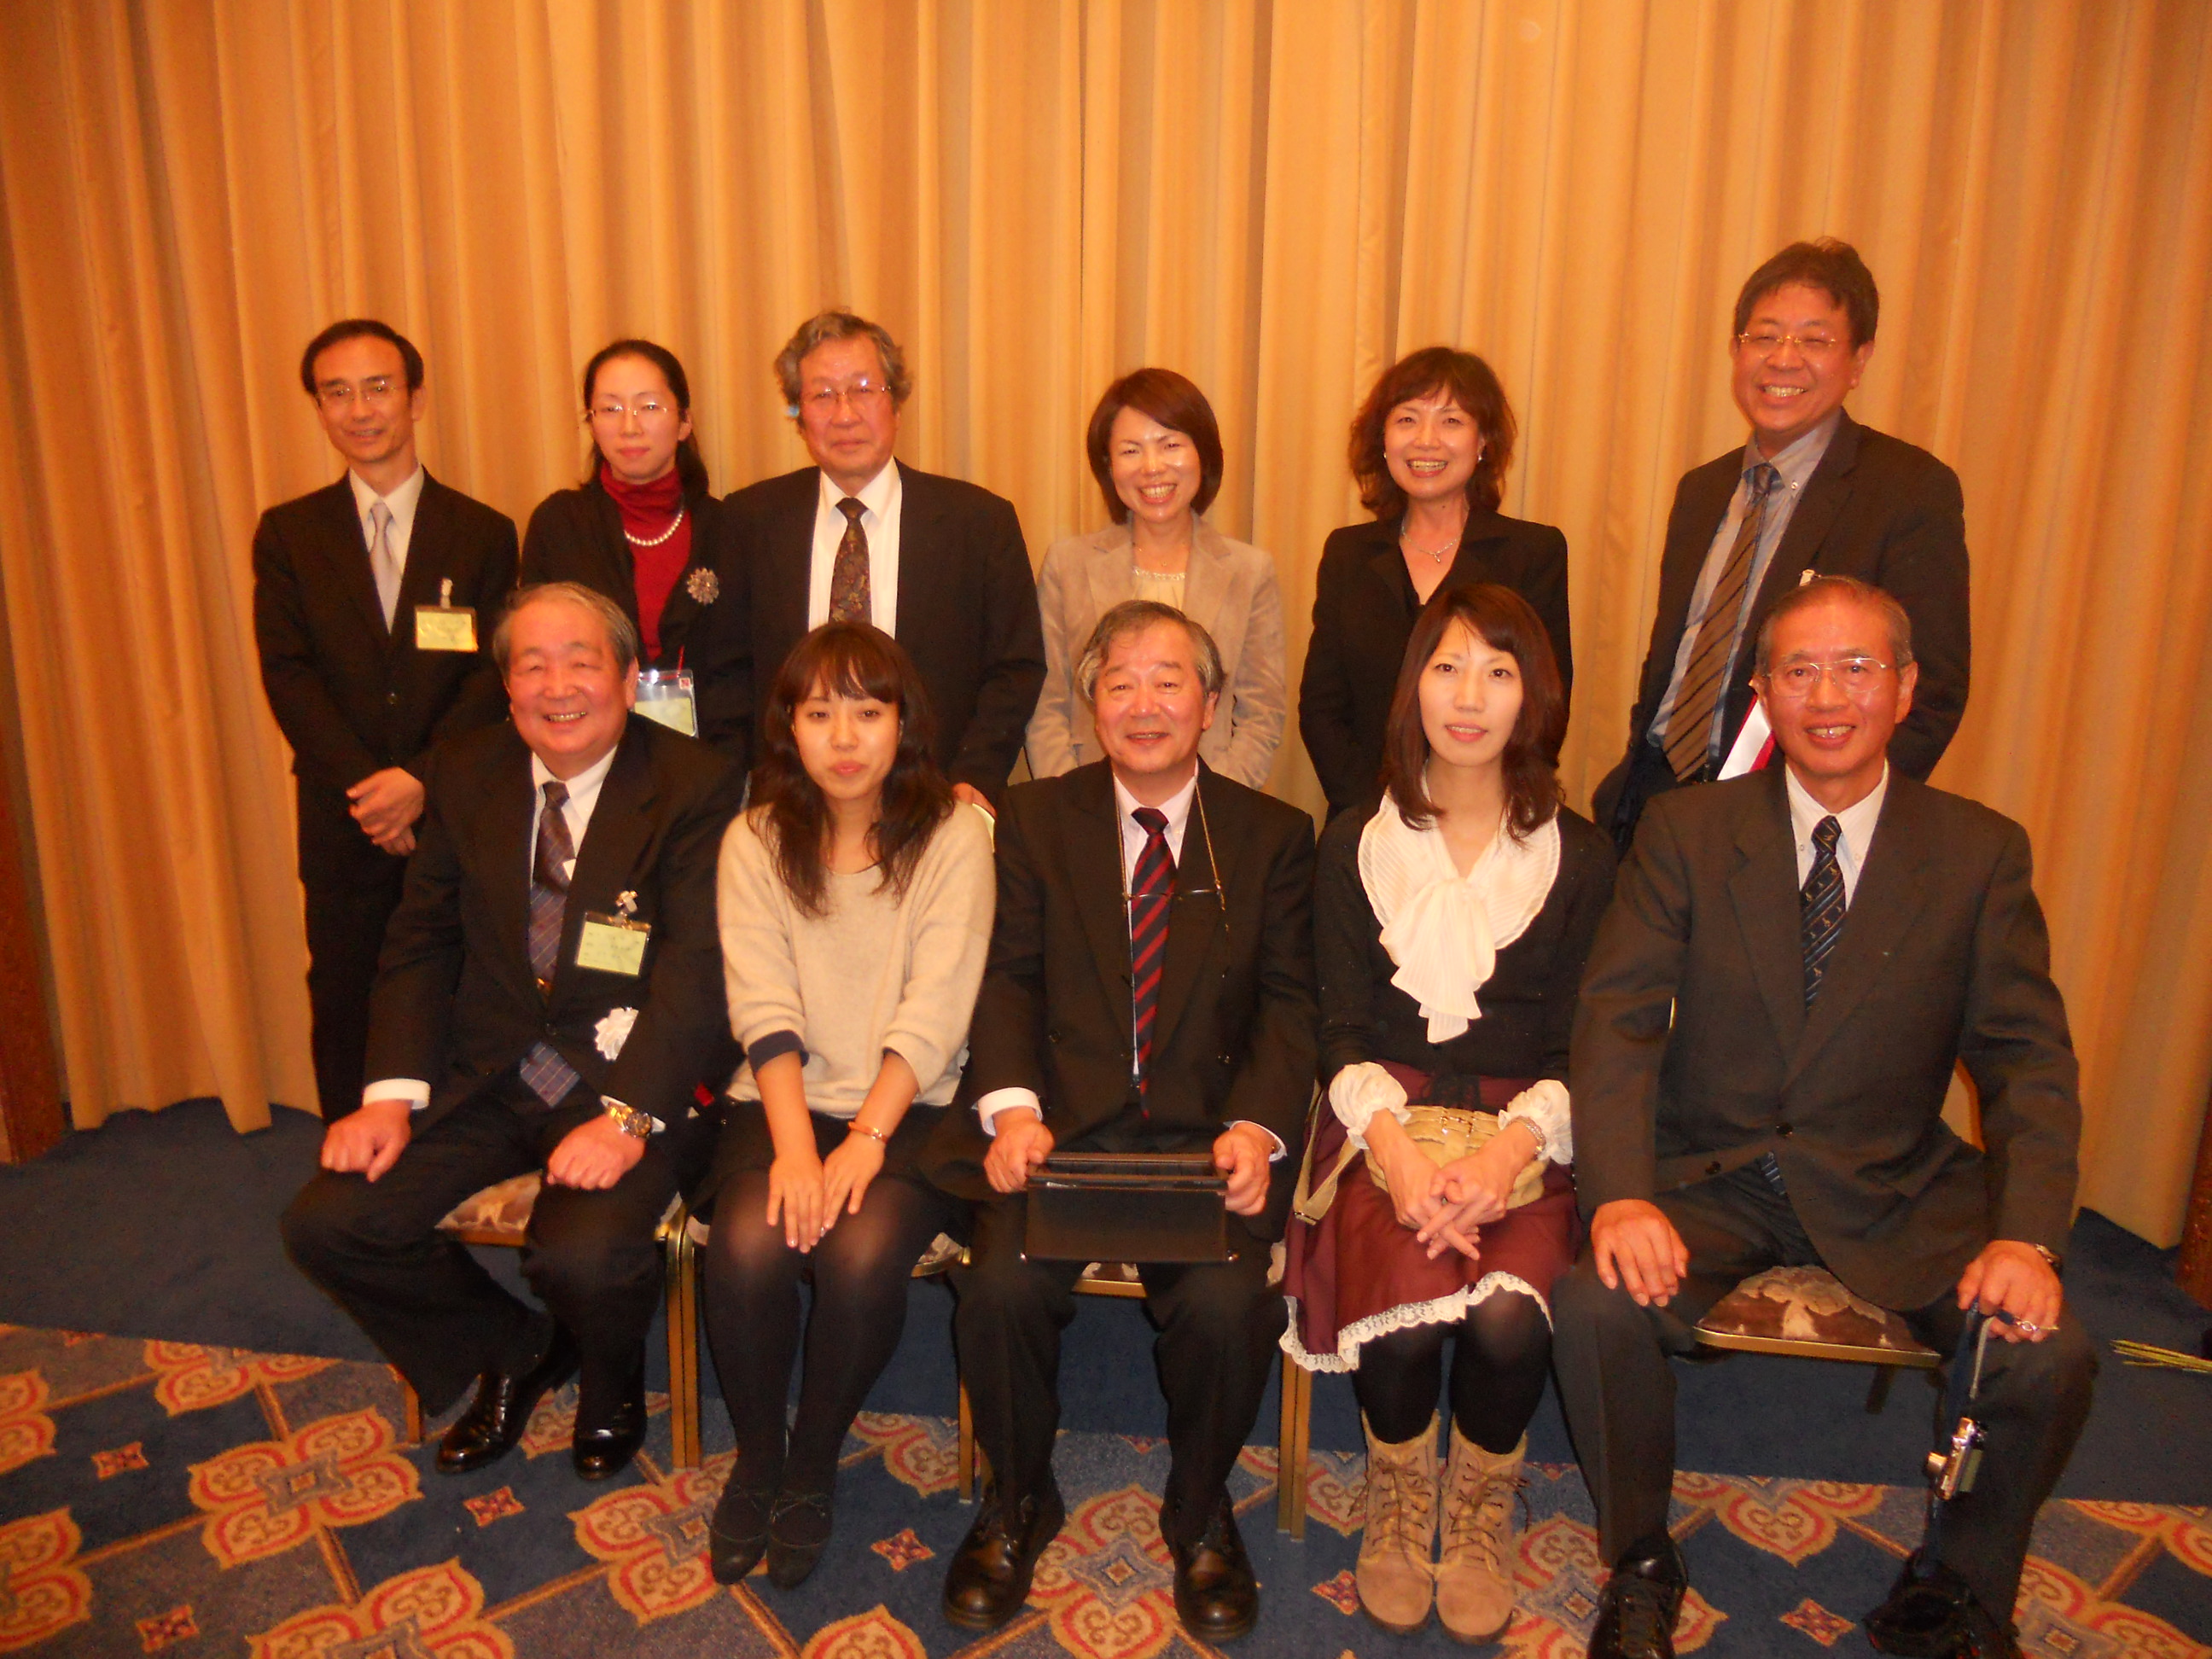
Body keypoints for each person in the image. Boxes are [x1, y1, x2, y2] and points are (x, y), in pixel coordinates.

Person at [1556, 577, 2093, 1659]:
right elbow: (1616, 1021)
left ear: (1906, 687)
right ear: (1763, 693)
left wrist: (2027, 1238)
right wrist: (1618, 1196)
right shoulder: (1688, 830)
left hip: (1892, 1181)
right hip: (1710, 1174)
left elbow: (2028, 1062)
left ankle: (1960, 1591)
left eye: (1857, 668)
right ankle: (1642, 1562)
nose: (1829, 696)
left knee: (2043, 1349)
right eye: (1799, 671)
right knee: (1596, 1300)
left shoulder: (1978, 852)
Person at [282, 583, 744, 1484]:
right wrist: (388, 1098)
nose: (557, 686)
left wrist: (628, 1119)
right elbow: (421, 942)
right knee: (330, 1223)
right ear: (507, 688)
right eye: (533, 666)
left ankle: (611, 1375)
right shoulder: (466, 773)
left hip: (625, 1075)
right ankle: (517, 1349)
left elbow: (699, 973)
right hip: (491, 1071)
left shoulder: (696, 783)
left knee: (582, 1253)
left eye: (581, 662)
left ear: (626, 677)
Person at [924, 601, 1318, 1642]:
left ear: (1211, 702)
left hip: (1203, 1150)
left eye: (1169, 681)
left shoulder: (1273, 837)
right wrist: (1012, 1111)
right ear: (1091, 704)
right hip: (1061, 1143)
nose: (1145, 704)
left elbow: (1291, 1009)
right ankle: (1019, 1496)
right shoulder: (1033, 819)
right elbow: (1005, 980)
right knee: (997, 1289)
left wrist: (1257, 1132)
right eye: (1120, 683)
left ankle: (1198, 1509)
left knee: (1229, 1308)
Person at [1284, 584, 1615, 1641]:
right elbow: (1340, 1032)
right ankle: (1396, 1490)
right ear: (1412, 687)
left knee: (1509, 1322)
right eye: (1447, 667)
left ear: (1535, 697)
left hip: (1531, 1129)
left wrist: (1509, 1153)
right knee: (1408, 1319)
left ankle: (1478, 1505)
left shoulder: (1582, 856)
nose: (1469, 698)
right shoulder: (1354, 842)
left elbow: (1579, 1049)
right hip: (1381, 1124)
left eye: (1498, 672)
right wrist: (1401, 1155)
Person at [701, 622, 992, 1591]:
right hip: (781, 1095)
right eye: (819, 713)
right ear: (788, 726)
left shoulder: (954, 833)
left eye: (868, 711)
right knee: (749, 1245)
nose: (844, 737)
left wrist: (866, 1136)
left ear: (904, 722)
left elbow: (940, 1004)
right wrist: (795, 1147)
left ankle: (813, 1457)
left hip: (912, 1104)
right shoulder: (753, 837)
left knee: (859, 1255)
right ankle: (758, 1456)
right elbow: (761, 1002)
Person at [1591, 239, 1970, 854]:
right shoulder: (1703, 491)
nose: (1783, 359)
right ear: (1737, 349)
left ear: (1859, 360)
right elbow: (1677, 659)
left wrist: (1825, 825)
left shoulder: (1906, 491)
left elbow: (1930, 694)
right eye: (1764, 337)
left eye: (1814, 341)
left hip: (1788, 820)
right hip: (1654, 804)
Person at [253, 318, 518, 1124]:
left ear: (415, 399)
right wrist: (371, 789)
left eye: (378, 388)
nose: (360, 410)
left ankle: (457, 1150)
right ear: (319, 409)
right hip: (345, 813)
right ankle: (350, 1155)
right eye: (338, 393)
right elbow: (288, 675)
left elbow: (493, 676)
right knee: (346, 987)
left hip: (454, 806)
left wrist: (420, 781)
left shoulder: (482, 531)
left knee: (465, 982)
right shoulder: (290, 534)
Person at [725, 309, 1045, 809]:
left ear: (895, 403)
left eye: (863, 389)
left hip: (939, 798)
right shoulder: (749, 520)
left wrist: (975, 775)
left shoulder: (980, 522)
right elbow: (729, 672)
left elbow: (1016, 667)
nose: (845, 414)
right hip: (791, 805)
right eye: (822, 395)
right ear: (798, 416)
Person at [1299, 346, 1571, 819]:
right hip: (1366, 818)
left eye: (1451, 421)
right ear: (1384, 440)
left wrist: (1480, 811)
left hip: (1489, 818)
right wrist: (1376, 815)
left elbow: (1545, 704)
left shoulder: (1532, 553)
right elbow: (1322, 708)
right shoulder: (1348, 553)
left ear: (1483, 441)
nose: (1426, 441)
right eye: (1407, 420)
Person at [1027, 368, 1285, 788]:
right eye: (1131, 451)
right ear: (1109, 466)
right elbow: (1045, 706)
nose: (1152, 468)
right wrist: (1072, 801)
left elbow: (1262, 715)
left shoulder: (1249, 571)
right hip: (1088, 796)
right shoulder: (1067, 565)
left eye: (1170, 446)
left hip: (1210, 799)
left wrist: (1216, 804)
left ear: (1203, 454)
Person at [521, 339, 749, 765]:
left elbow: (740, 670)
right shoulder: (559, 524)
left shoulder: (728, 527)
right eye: (610, 409)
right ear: (591, 423)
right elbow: (533, 655)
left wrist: (721, 769)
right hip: (587, 757)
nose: (629, 426)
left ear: (684, 422)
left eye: (649, 407)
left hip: (711, 761)